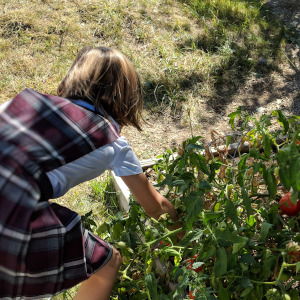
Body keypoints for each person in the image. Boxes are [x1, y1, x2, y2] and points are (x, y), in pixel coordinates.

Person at [0, 46, 180, 299]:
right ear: (125, 95)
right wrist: (182, 229)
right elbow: (155, 206)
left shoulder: (25, 102)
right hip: (10, 213)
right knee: (107, 263)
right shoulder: (113, 143)